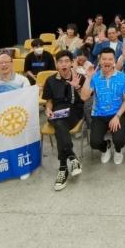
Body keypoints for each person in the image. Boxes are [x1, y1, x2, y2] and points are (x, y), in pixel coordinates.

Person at [42, 50, 85, 191]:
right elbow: (49, 101)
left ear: (72, 63)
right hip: (56, 112)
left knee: (60, 126)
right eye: (60, 62)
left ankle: (63, 167)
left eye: (67, 61)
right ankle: (71, 157)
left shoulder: (80, 77)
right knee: (60, 124)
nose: (63, 64)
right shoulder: (50, 80)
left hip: (74, 111)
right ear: (56, 64)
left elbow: (85, 98)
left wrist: (77, 87)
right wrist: (48, 110)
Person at [80, 48, 125, 165]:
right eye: (104, 59)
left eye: (110, 59)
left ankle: (118, 150)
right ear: (99, 60)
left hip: (117, 113)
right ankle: (105, 147)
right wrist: (88, 78)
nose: (107, 61)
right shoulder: (95, 77)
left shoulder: (123, 78)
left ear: (114, 61)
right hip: (99, 114)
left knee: (119, 141)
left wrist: (117, 116)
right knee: (94, 143)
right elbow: (84, 97)